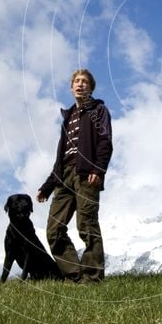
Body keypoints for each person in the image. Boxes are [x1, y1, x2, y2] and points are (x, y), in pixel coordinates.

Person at [37, 69, 112, 283]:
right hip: (64, 178)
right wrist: (47, 186)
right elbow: (60, 157)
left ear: (91, 88)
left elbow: (106, 142)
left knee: (86, 225)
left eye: (85, 82)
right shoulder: (67, 117)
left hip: (86, 174)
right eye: (77, 82)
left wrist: (98, 170)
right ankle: (76, 277)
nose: (80, 85)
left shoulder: (98, 110)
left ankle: (93, 278)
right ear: (71, 88)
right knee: (53, 230)